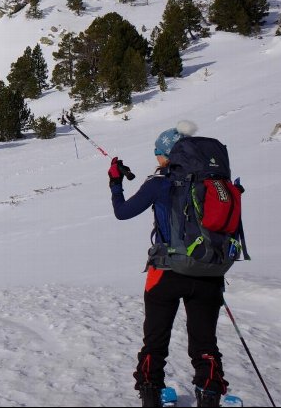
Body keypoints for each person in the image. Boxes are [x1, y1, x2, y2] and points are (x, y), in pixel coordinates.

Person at [109, 120, 229, 408]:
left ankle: (150, 397)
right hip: (209, 272)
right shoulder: (215, 183)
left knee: (155, 341)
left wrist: (115, 183)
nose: (157, 159)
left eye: (158, 154)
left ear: (168, 154)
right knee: (205, 345)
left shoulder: (160, 183)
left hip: (166, 272)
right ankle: (209, 397)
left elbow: (122, 213)